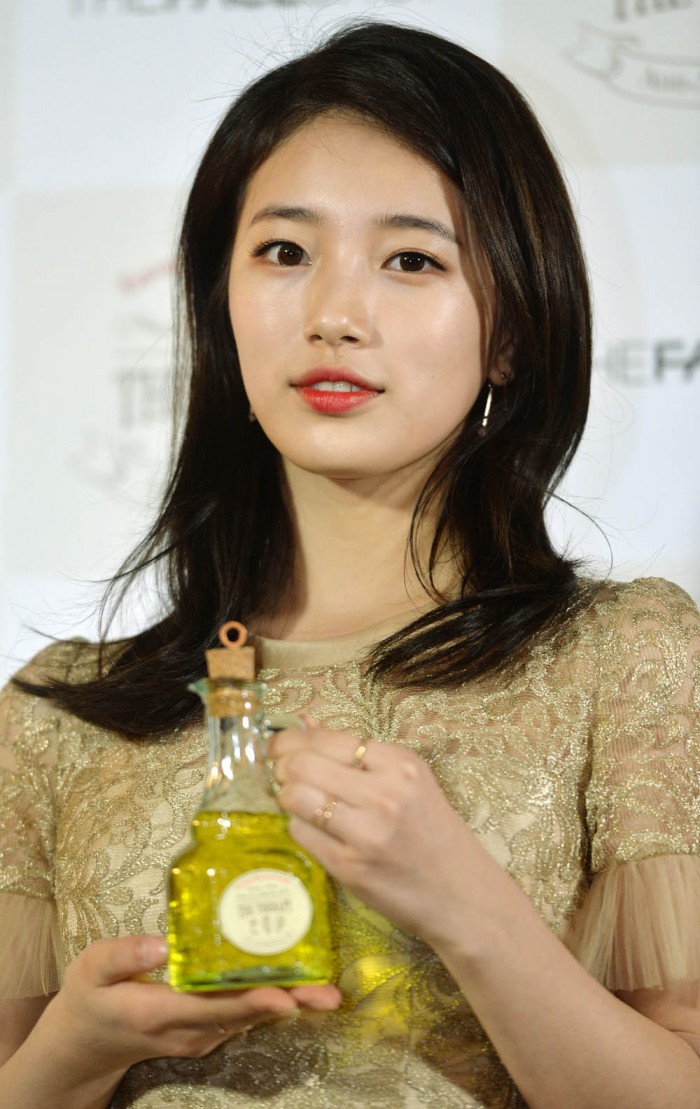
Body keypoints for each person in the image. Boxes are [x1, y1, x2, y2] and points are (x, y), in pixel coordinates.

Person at [0, 19, 698, 1109]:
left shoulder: (627, 657)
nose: (333, 314)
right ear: (219, 303)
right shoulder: (57, 717)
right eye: (284, 252)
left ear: (511, 333)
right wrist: (73, 1052)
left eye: (412, 259)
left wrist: (467, 904)